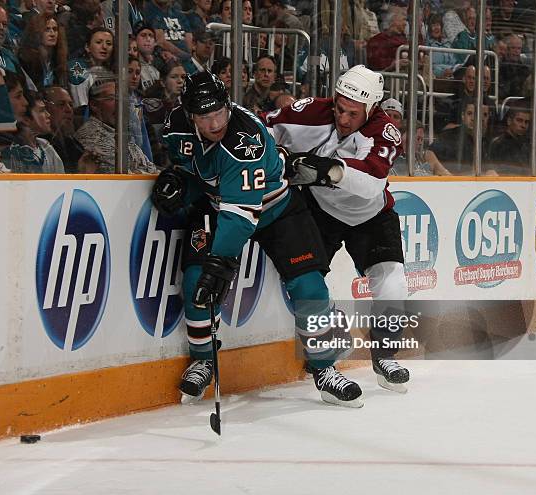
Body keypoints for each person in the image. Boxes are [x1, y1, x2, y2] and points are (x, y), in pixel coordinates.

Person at [152, 70, 365, 407]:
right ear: (191, 115)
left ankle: (324, 367)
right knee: (196, 283)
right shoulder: (176, 125)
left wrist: (221, 262)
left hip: (275, 208)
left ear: (228, 105)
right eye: (205, 117)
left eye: (220, 113)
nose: (215, 123)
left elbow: (240, 218)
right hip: (218, 205)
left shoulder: (244, 139)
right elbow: (198, 169)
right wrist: (183, 182)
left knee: (309, 287)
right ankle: (204, 358)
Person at [264, 65, 411, 393]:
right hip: (318, 211)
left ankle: (384, 354)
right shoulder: (312, 111)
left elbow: (372, 183)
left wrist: (327, 170)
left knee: (394, 284)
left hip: (371, 216)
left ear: (371, 109)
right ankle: (321, 346)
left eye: (352, 113)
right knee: (305, 282)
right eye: (339, 109)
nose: (343, 119)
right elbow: (262, 126)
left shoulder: (385, 132)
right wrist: (277, 154)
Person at [74, 76, 157, 174]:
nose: (120, 104)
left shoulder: (119, 133)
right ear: (94, 105)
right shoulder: (92, 136)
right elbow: (120, 177)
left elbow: (150, 167)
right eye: (112, 98)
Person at [487, 105, 531, 175]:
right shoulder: (498, 144)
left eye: (526, 122)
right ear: (509, 121)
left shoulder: (527, 144)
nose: (523, 125)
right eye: (519, 120)